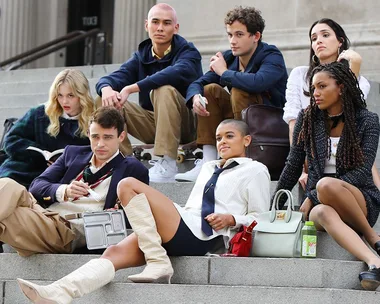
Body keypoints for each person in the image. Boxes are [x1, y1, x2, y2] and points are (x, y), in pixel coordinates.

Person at [17, 119, 270, 304]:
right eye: (218, 138)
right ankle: (59, 292)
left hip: (209, 235)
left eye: (229, 136)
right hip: (185, 222)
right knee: (113, 252)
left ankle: (158, 262)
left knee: (127, 185)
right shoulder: (208, 167)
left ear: (246, 140)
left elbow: (263, 217)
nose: (222, 142)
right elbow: (193, 207)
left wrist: (232, 218)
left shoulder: (255, 170)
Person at [275, 62, 380, 291]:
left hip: (358, 199)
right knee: (322, 211)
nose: (316, 94)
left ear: (341, 87)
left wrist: (312, 194)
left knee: (325, 185)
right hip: (320, 203)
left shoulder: (367, 120)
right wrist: (277, 204)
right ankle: (374, 260)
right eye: (313, 88)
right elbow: (293, 164)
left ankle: (371, 235)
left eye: (322, 86)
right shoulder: (308, 119)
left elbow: (363, 173)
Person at [0, 107, 149, 257]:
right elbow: (36, 185)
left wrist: (117, 216)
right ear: (89, 134)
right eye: (96, 137)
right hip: (43, 212)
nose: (100, 144)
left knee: (8, 218)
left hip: (66, 231)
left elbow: (139, 216)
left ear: (121, 136)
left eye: (108, 137)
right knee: (6, 183)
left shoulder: (133, 169)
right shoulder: (73, 153)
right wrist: (64, 191)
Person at [175, 6, 288, 182]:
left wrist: (224, 73)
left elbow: (258, 82)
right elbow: (198, 83)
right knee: (209, 90)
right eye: (230, 35)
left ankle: (243, 157)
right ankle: (209, 159)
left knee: (239, 89)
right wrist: (196, 97)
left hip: (267, 128)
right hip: (238, 121)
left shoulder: (271, 55)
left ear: (256, 36)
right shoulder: (229, 58)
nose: (233, 41)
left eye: (239, 35)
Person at [95, 3, 202, 183]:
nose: (160, 28)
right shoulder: (141, 56)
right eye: (155, 22)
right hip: (154, 124)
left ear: (176, 28)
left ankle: (167, 162)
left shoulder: (188, 53)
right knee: (105, 100)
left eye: (166, 23)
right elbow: (113, 78)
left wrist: (131, 88)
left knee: (164, 89)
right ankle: (122, 161)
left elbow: (171, 74)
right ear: (147, 25)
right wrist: (106, 88)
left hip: (188, 125)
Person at [282, 18, 380, 189]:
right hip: (311, 151)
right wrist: (301, 169)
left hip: (347, 150)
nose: (318, 40)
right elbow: (294, 125)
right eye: (313, 38)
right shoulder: (299, 74)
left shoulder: (360, 83)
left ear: (340, 42)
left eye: (325, 35)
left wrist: (354, 66)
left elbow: (351, 115)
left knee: (364, 159)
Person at [0, 69, 94, 188]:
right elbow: (11, 139)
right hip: (24, 169)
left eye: (71, 95)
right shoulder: (40, 114)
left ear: (82, 95)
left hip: (59, 178)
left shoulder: (93, 120)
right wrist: (38, 154)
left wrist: (62, 164)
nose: (64, 101)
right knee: (8, 186)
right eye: (60, 95)